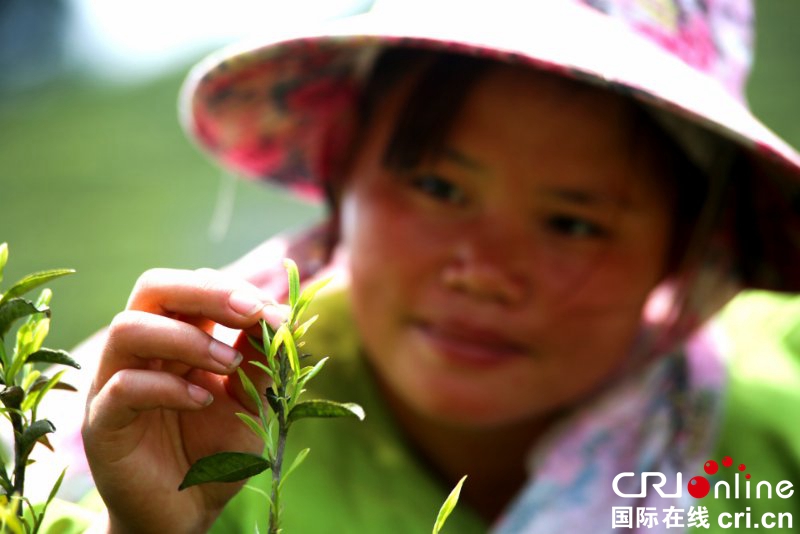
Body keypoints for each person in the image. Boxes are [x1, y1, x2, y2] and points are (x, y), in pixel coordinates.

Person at [72, 0, 800, 532]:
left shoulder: (778, 424)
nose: (484, 272)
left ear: (686, 244)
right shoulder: (192, 427)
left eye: (574, 224)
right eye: (438, 187)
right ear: (341, 175)